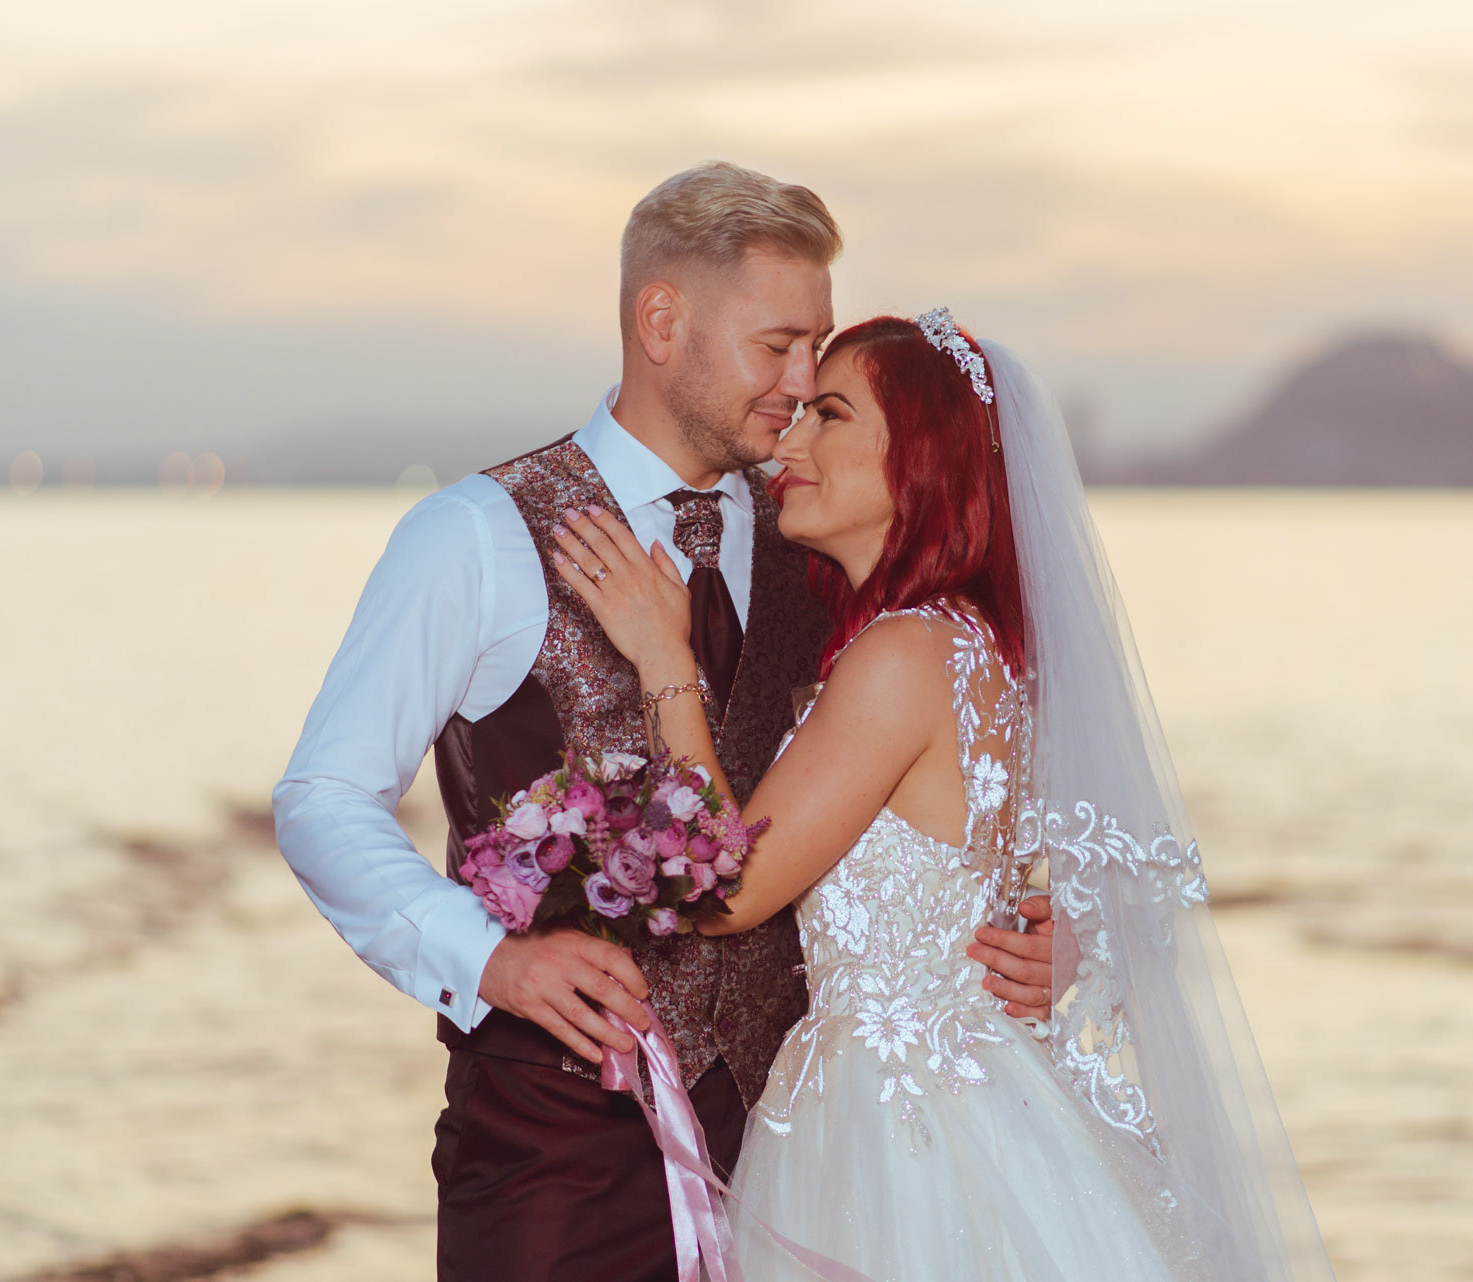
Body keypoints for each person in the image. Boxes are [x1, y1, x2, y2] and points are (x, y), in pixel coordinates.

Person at [270, 163, 1055, 1282]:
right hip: (555, 1163)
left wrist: (1031, 920)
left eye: (818, 350)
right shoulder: (475, 537)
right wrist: (490, 961)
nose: (800, 383)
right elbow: (322, 798)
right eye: (777, 344)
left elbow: (946, 767)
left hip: (810, 1164)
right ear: (660, 320)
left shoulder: (820, 544)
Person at [552, 309, 1338, 1280]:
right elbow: (1091, 871)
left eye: (829, 414)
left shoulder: (901, 657)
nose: (790, 439)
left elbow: (727, 890)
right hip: (985, 1099)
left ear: (917, 459)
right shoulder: (982, 649)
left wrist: (663, 653)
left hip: (897, 1126)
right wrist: (1072, 937)